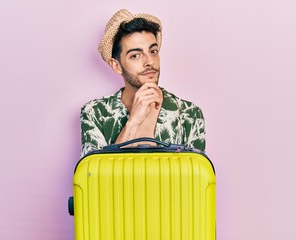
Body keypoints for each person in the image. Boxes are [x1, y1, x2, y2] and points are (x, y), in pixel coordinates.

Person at [80, 9, 205, 157]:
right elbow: (95, 178)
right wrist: (133, 122)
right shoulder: (95, 113)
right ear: (117, 66)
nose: (149, 62)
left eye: (153, 51)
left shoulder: (189, 113)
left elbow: (196, 177)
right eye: (135, 55)